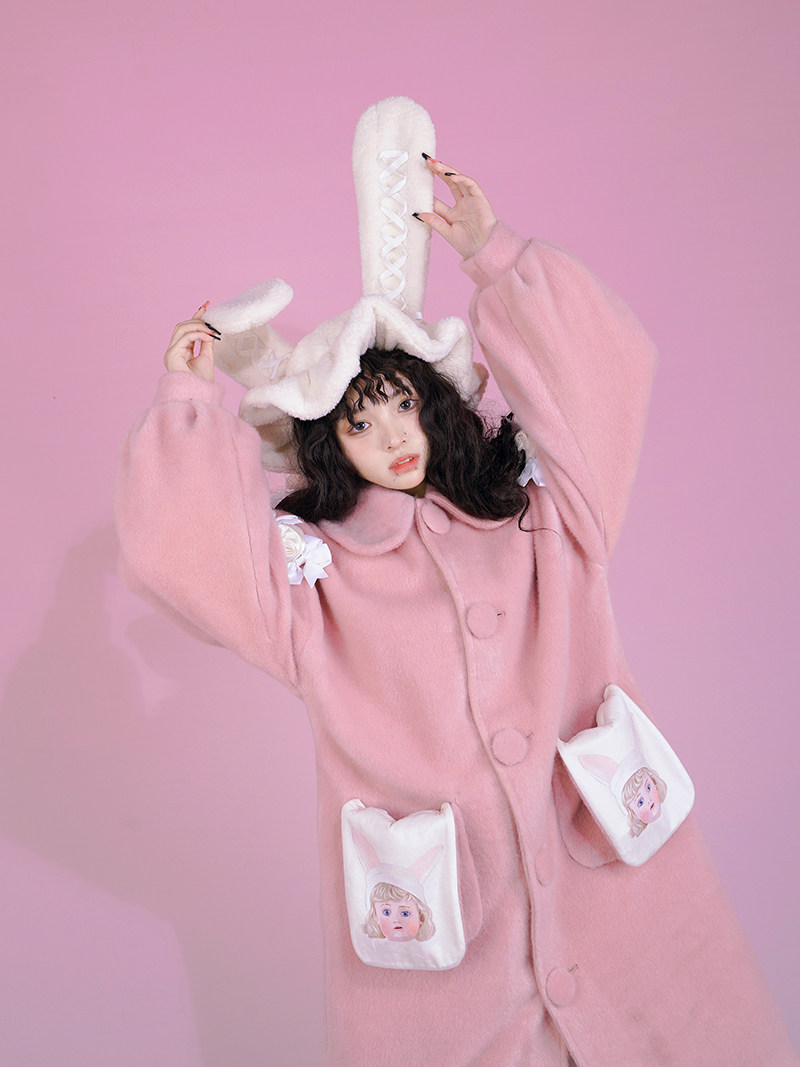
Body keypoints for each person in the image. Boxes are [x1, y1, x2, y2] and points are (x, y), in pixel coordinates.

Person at [116, 151, 797, 1064]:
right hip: (454, 950)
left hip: (616, 895)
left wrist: (497, 255)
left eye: (403, 404)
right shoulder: (319, 584)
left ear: (435, 404)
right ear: (330, 448)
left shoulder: (547, 518)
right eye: (359, 424)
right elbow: (182, 557)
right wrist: (189, 400)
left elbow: (606, 373)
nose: (393, 436)